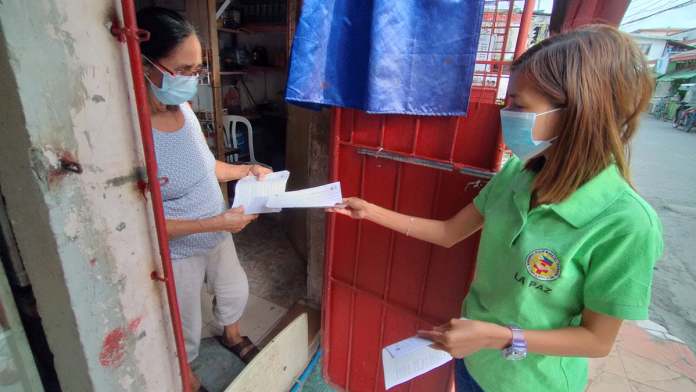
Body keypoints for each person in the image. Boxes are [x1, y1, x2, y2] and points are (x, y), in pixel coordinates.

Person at [327, 25, 663, 392]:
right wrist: (369, 210)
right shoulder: (519, 173)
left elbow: (597, 340)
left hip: (532, 383)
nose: (506, 114)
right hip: (473, 365)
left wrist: (497, 336)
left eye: (518, 106)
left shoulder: (625, 223)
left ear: (578, 112)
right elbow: (449, 232)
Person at [136, 7, 271, 392]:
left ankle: (232, 336)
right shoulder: (133, 134)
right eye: (184, 70)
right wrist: (216, 222)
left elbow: (205, 166)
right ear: (145, 65)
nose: (192, 80)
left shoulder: (184, 111)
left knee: (234, 290)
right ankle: (187, 375)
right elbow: (145, 220)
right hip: (180, 249)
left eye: (197, 70)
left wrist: (246, 170)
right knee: (185, 323)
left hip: (217, 232)